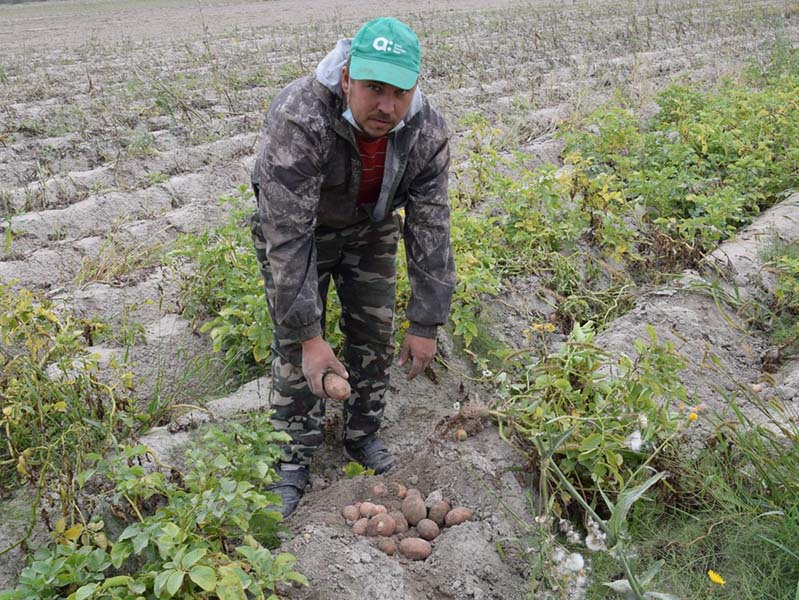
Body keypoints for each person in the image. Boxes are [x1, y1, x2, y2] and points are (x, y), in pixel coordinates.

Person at [250, 17, 455, 518]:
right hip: (300, 231)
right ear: (347, 78)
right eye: (373, 88)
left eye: (399, 92)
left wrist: (425, 321)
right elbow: (288, 235)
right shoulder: (301, 115)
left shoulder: (425, 131)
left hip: (369, 225)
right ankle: (292, 459)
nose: (386, 105)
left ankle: (362, 435)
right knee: (297, 344)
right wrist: (309, 336)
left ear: (414, 88)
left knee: (374, 332)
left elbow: (431, 227)